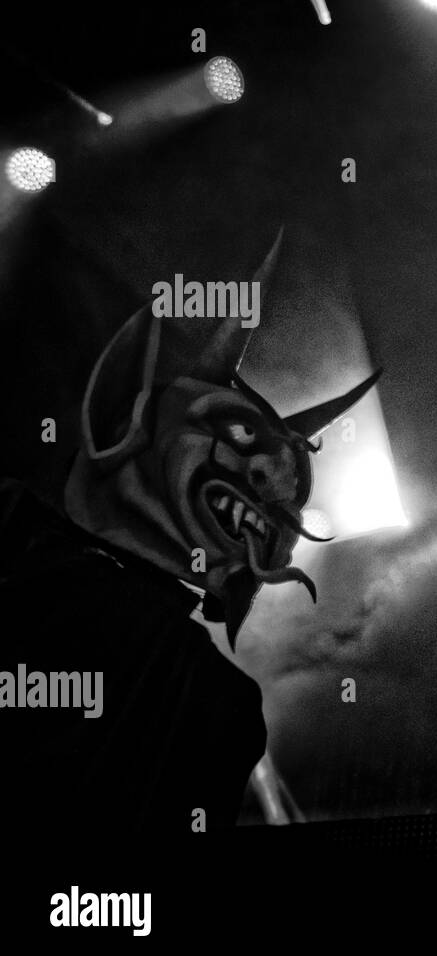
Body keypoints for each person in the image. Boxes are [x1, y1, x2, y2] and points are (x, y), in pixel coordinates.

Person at [0, 234, 380, 833]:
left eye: (291, 491)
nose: (274, 480)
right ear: (123, 417)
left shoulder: (215, 703)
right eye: (240, 435)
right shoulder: (15, 540)